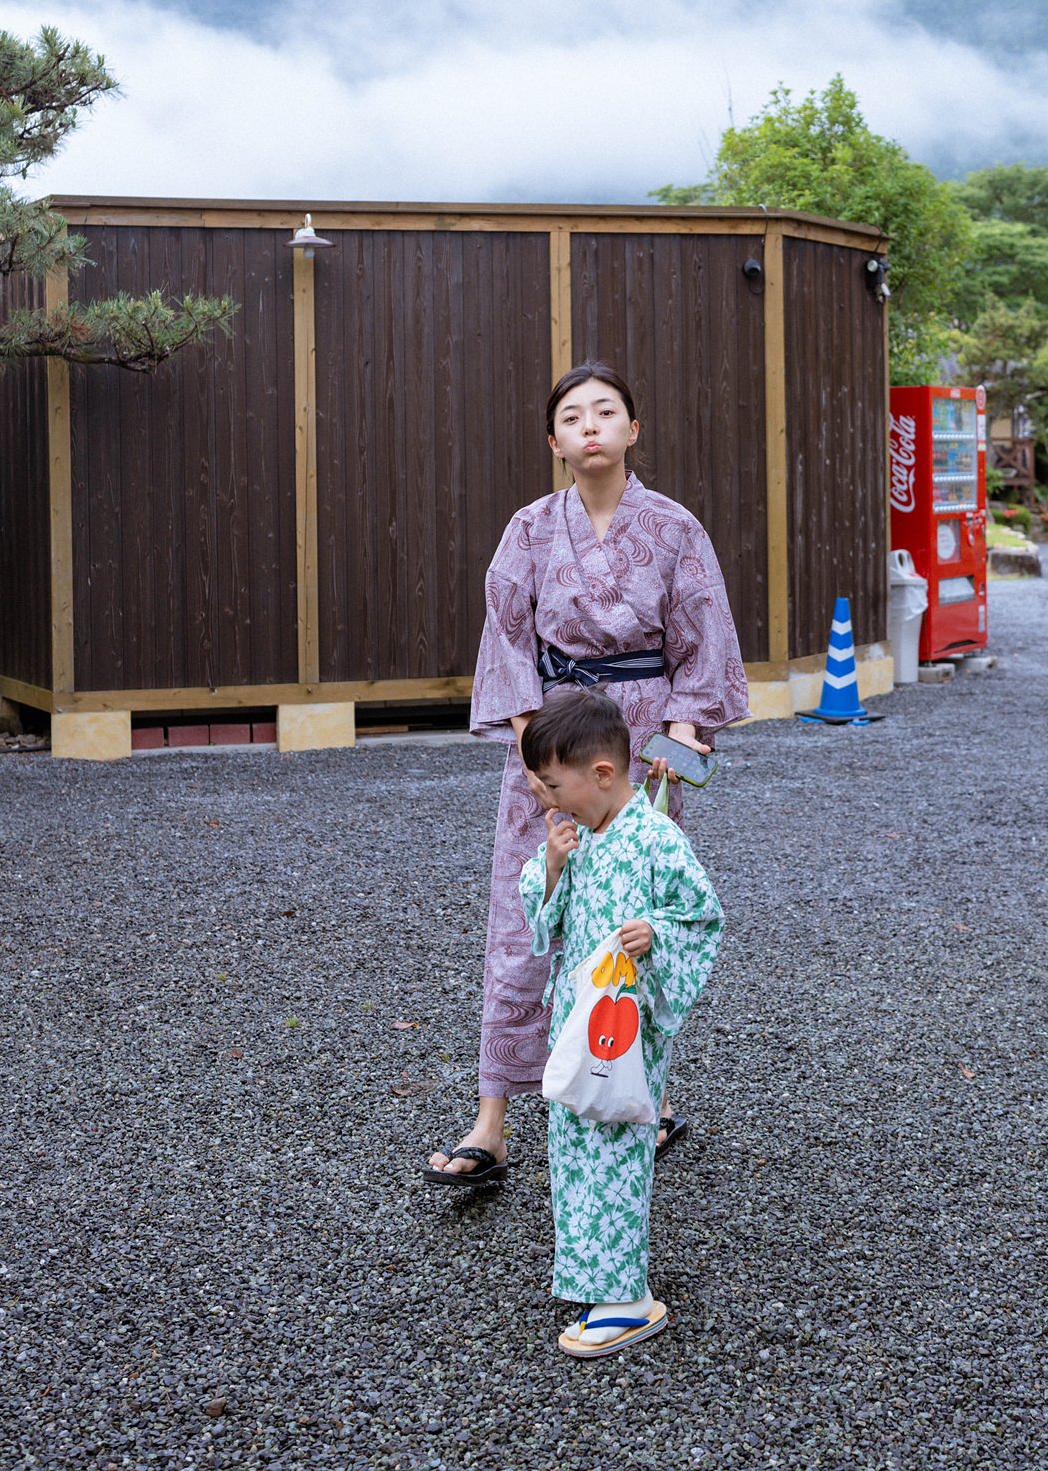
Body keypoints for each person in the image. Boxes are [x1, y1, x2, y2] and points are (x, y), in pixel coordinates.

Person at [424, 360, 748, 1186]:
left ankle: (641, 1094)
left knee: (633, 919)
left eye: (605, 412)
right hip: (550, 738)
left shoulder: (674, 528)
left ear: (632, 430)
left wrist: (677, 746)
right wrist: (531, 752)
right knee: (525, 910)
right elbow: (506, 640)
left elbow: (702, 645)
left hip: (639, 744)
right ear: (553, 441)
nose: (590, 426)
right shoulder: (529, 528)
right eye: (572, 417)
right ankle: (492, 1120)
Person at [517, 689, 723, 1357]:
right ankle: (594, 1279)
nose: (548, 801)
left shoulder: (655, 836)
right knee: (573, 1145)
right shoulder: (577, 835)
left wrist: (656, 931)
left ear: (602, 773)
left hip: (625, 1028)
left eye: (554, 786)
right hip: (579, 1017)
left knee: (612, 1149)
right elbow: (540, 909)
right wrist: (552, 865)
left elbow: (701, 914)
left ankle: (626, 1298)